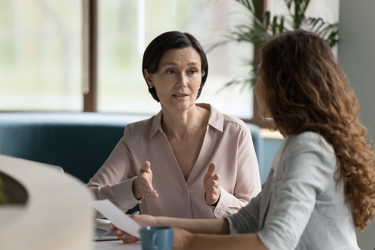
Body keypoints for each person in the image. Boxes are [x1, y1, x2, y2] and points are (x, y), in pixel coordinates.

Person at [113, 29, 375, 249]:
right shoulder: (295, 144)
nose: (255, 86)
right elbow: (244, 222)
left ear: (283, 86)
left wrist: (186, 241)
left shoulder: (307, 148)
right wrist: (155, 224)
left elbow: (274, 242)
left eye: (261, 76)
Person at [86, 31, 261, 219]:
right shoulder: (136, 138)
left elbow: (255, 218)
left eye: (192, 71)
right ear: (149, 78)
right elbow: (88, 204)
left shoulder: (235, 133)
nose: (183, 82)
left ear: (201, 77)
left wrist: (219, 199)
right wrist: (134, 189)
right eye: (171, 71)